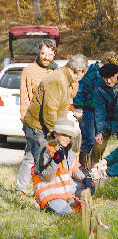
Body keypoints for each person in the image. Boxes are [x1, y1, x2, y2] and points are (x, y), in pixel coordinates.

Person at [22, 54, 88, 168]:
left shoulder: (66, 78)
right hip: (38, 127)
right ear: (80, 71)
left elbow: (71, 94)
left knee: (31, 160)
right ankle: (26, 186)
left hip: (41, 126)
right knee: (40, 164)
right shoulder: (58, 80)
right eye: (84, 73)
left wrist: (75, 81)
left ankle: (22, 186)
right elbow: (49, 111)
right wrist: (56, 134)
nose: (83, 76)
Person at [16, 39, 58, 195]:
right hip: (33, 122)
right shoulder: (28, 71)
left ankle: (24, 187)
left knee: (32, 154)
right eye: (43, 54)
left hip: (50, 122)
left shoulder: (55, 72)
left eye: (49, 54)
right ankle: (32, 188)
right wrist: (24, 121)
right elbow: (25, 98)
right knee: (39, 155)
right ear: (38, 53)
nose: (46, 58)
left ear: (54, 55)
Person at [31, 114, 95, 215]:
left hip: (62, 189)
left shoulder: (68, 150)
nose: (68, 138)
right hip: (49, 191)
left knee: (84, 187)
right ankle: (51, 205)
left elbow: (73, 168)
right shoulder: (46, 149)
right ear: (56, 134)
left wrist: (85, 179)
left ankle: (67, 201)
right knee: (67, 214)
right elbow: (46, 176)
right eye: (64, 135)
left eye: (70, 136)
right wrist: (55, 161)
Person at [73, 51, 118, 169]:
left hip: (101, 112)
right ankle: (83, 168)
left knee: (98, 141)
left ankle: (93, 166)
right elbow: (80, 89)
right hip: (88, 110)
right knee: (88, 140)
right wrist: (78, 107)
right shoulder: (91, 72)